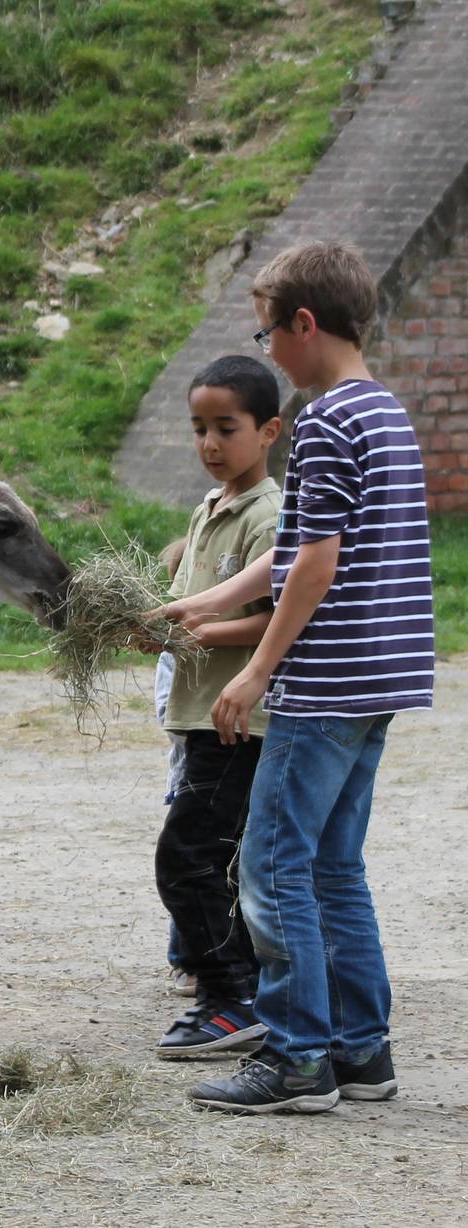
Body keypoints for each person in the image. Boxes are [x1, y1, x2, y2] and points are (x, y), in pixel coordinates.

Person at [163, 240, 433, 1114]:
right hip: (382, 679)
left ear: (304, 325)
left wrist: (256, 673)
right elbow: (292, 551)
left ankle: (296, 1056)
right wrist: (202, 604)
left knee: (273, 868)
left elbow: (313, 562)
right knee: (332, 868)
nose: (267, 351)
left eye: (269, 332)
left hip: (323, 685)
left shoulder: (321, 422)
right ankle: (362, 1051)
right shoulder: (385, 412)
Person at [148, 356, 282, 1061]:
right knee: (211, 858)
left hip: (236, 722)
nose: (208, 444)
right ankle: (234, 990)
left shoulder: (270, 515)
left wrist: (196, 629)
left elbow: (282, 618)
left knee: (188, 858)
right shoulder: (210, 507)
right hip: (199, 715)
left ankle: (231, 1000)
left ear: (268, 432)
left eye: (225, 428)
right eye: (198, 428)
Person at [153, 537, 195, 998]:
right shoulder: (173, 649)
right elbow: (168, 714)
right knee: (188, 859)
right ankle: (185, 960)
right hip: (189, 776)